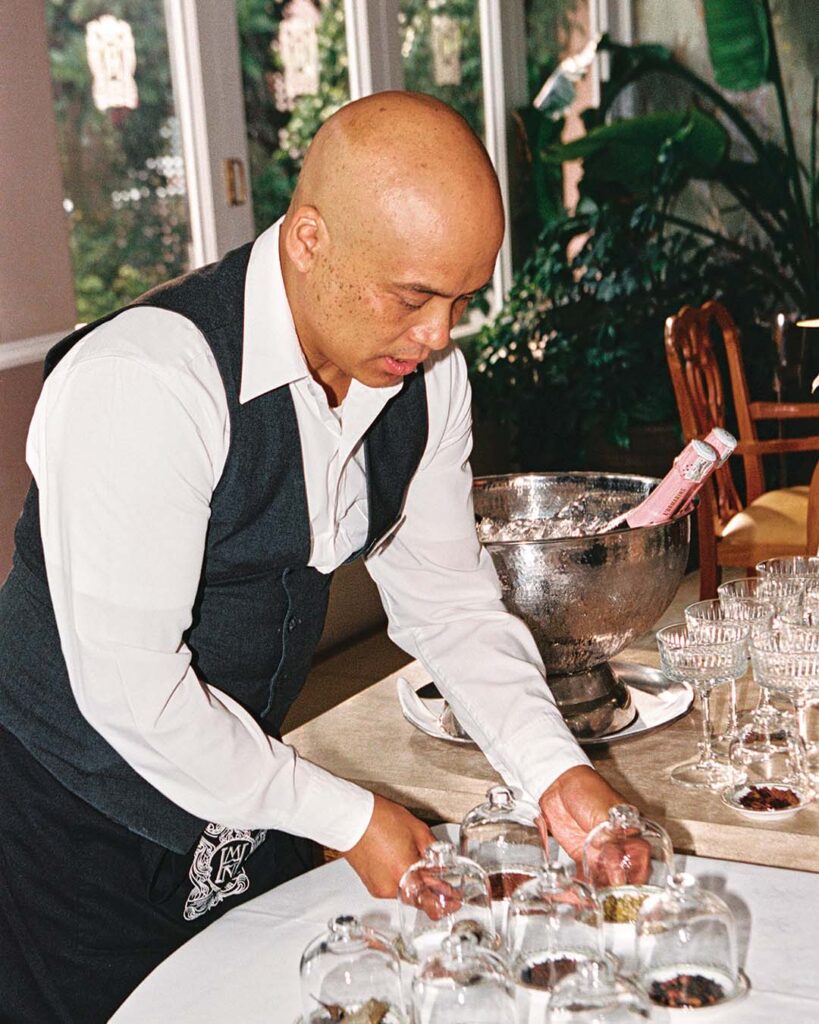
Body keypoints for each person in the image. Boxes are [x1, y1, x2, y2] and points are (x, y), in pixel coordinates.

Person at [0, 91, 627, 1022]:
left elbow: (449, 607)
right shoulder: (146, 382)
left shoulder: (425, 382)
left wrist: (552, 769)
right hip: (70, 819)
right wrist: (350, 817)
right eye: (413, 296)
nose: (438, 335)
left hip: (237, 789)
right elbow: (135, 695)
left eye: (460, 299)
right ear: (307, 239)